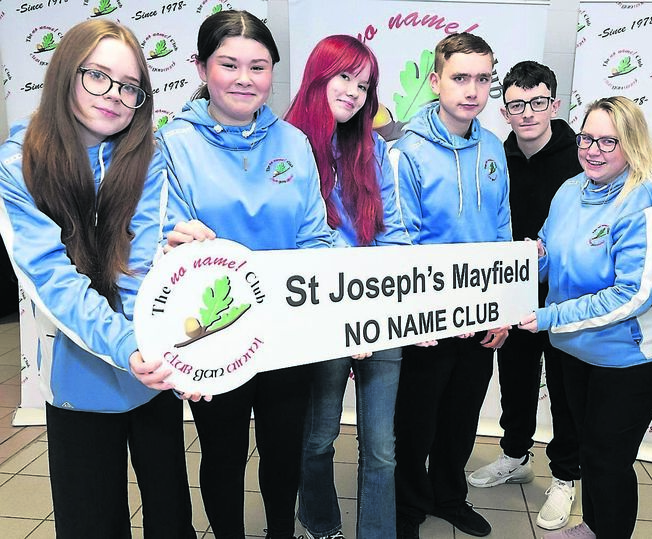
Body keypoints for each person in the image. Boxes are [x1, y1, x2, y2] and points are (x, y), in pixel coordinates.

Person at [0, 19, 195, 539]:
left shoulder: (148, 156)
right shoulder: (18, 166)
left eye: (130, 86)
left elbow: (140, 263)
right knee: (91, 520)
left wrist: (157, 346)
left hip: (150, 372)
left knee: (170, 512)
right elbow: (52, 280)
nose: (114, 94)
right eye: (98, 76)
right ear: (66, 72)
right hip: (79, 377)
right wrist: (128, 345)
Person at [156, 10, 332, 539]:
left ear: (272, 71)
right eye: (228, 64)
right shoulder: (173, 144)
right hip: (214, 332)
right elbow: (163, 242)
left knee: (283, 450)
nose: (244, 79)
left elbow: (315, 236)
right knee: (223, 453)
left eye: (258, 67)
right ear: (201, 68)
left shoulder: (294, 143)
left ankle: (281, 532)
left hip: (286, 331)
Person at [519, 96, 652, 539]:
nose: (593, 150)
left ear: (632, 143)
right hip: (574, 348)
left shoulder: (647, 197)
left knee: (608, 458)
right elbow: (551, 257)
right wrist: (532, 259)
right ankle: (594, 527)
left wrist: (551, 316)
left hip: (628, 358)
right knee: (590, 452)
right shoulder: (571, 189)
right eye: (587, 138)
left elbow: (634, 295)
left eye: (609, 141)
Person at [284, 34, 411, 539]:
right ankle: (321, 524)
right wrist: (343, 311)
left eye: (364, 85)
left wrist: (377, 308)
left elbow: (394, 234)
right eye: (345, 77)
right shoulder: (287, 145)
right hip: (319, 318)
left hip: (377, 315)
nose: (355, 93)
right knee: (318, 436)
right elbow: (293, 242)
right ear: (318, 75)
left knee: (381, 448)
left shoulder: (374, 148)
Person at [390, 32, 511, 539]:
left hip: (482, 314)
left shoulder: (493, 147)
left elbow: (502, 229)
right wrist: (430, 314)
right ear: (436, 81)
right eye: (460, 77)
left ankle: (448, 496)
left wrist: (504, 308)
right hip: (428, 321)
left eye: (483, 79)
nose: (472, 90)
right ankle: (407, 505)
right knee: (416, 421)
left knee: (462, 417)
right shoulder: (406, 150)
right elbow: (403, 240)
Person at [467, 60, 582, 532]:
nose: (528, 113)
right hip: (513, 292)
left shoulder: (581, 156)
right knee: (515, 379)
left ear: (554, 104)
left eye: (537, 102)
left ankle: (566, 475)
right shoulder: (495, 156)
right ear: (504, 111)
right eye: (517, 105)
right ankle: (515, 455)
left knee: (565, 389)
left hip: (567, 296)